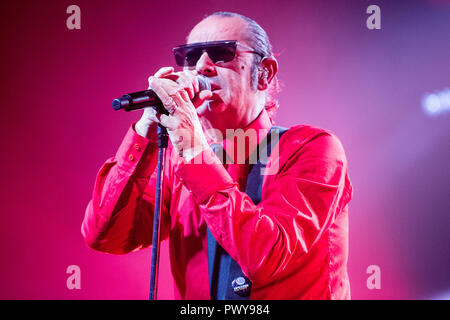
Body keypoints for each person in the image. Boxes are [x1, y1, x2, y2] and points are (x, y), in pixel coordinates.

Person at [81, 11, 353, 300]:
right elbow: (104, 234)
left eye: (222, 53)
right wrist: (145, 130)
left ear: (264, 73)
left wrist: (195, 152)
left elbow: (266, 257)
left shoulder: (312, 149)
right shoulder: (179, 163)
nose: (201, 66)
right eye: (190, 56)